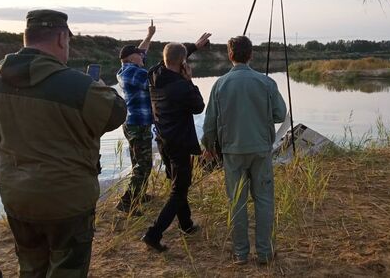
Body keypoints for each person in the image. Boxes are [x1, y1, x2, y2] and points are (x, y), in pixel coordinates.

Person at [0, 9, 127, 277]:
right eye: (68, 42)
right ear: (60, 39)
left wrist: (2, 169)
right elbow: (116, 114)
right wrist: (101, 87)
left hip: (17, 197)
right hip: (67, 200)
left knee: (31, 266)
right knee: (67, 268)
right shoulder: (79, 86)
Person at [202, 36, 287, 265]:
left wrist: (208, 146)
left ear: (230, 55)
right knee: (264, 200)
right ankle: (265, 253)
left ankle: (241, 254)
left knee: (237, 202)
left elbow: (210, 122)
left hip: (232, 152)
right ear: (251, 55)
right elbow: (280, 115)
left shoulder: (219, 84)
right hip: (260, 150)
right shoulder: (267, 83)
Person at [141, 33, 211, 252]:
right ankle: (153, 234)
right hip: (179, 143)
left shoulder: (153, 74)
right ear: (182, 64)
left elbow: (171, 57)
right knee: (179, 191)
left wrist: (194, 47)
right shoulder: (180, 87)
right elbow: (198, 106)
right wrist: (189, 79)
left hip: (163, 140)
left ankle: (186, 225)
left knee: (177, 185)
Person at [116, 22, 157, 215]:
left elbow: (142, 51)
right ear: (131, 58)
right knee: (144, 164)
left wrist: (149, 36)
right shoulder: (133, 72)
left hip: (135, 123)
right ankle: (127, 202)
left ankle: (138, 194)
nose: (143, 56)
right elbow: (153, 80)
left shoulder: (129, 67)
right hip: (138, 124)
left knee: (137, 162)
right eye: (139, 55)